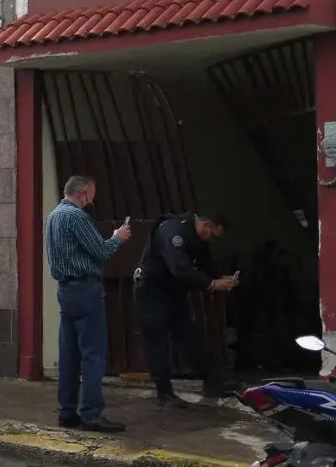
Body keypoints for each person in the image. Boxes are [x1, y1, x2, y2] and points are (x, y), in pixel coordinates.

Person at [46, 175, 131, 432]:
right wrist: (118, 236)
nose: (90, 202)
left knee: (69, 354)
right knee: (93, 355)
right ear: (82, 193)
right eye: (90, 197)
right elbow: (102, 251)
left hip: (65, 291)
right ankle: (92, 414)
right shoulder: (75, 217)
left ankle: (67, 412)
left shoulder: (53, 217)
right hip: (85, 289)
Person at [132, 211, 240, 409]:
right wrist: (211, 284)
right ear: (206, 225)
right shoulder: (174, 231)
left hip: (173, 291)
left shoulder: (198, 239)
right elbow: (179, 267)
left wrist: (221, 277)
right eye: (214, 236)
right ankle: (164, 393)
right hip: (152, 290)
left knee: (189, 336)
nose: (213, 241)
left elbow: (205, 264)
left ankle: (211, 381)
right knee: (157, 342)